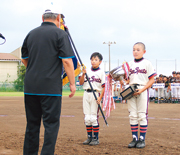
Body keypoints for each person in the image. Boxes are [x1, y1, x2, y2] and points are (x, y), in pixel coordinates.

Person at [21, 7, 76, 155]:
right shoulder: (60, 34)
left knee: (32, 125)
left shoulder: (31, 34)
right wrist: (72, 83)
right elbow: (67, 62)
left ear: (42, 17)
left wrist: (35, 69)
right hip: (50, 88)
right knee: (51, 125)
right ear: (58, 17)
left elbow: (24, 58)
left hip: (31, 86)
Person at [127, 42, 156, 148]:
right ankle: (134, 138)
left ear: (144, 51)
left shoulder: (147, 63)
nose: (135, 51)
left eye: (138, 49)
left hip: (142, 89)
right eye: (134, 49)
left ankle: (142, 139)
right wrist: (122, 80)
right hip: (131, 90)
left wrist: (143, 89)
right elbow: (127, 80)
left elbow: (152, 80)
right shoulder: (129, 64)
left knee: (142, 115)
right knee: (132, 115)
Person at [79, 52, 105, 145]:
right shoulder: (86, 71)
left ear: (100, 62)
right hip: (86, 93)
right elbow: (81, 83)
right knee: (87, 118)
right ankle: (89, 137)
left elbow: (104, 87)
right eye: (92, 60)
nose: (93, 61)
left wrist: (100, 98)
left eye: (96, 60)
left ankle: (96, 138)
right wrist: (83, 74)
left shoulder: (101, 72)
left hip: (95, 94)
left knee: (93, 118)